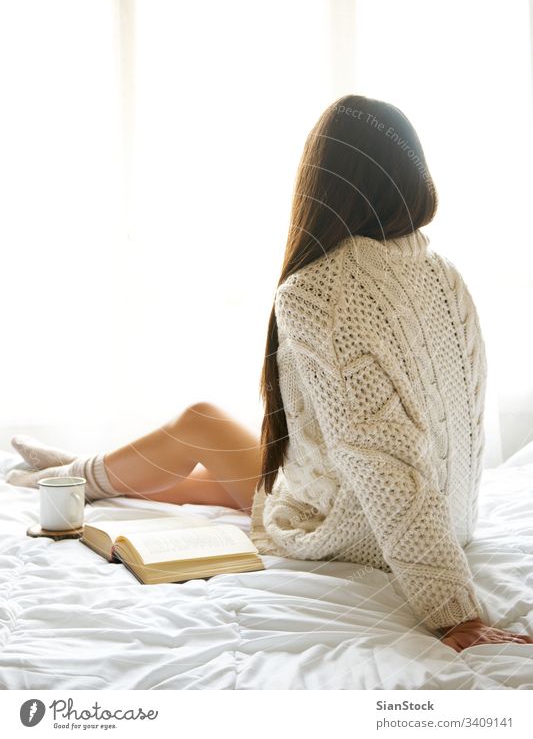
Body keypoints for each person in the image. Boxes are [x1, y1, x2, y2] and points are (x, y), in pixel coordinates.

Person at [7, 94, 532, 655]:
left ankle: (72, 478)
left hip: (366, 532)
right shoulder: (443, 273)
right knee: (242, 467)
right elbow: (458, 428)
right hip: (453, 519)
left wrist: (456, 614)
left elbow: (384, 464)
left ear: (322, 181)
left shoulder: (321, 289)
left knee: (201, 423)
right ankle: (75, 472)